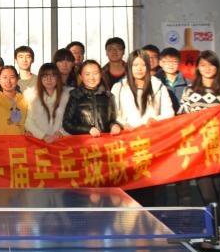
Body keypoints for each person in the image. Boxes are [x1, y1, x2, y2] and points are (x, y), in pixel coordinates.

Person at [178, 50, 220, 249]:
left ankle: (216, 233)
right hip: (198, 152)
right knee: (207, 193)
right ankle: (212, 232)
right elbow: (181, 118)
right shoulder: (189, 91)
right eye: (203, 65)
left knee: (217, 192)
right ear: (198, 68)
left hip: (218, 151)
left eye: (211, 65)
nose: (207, 68)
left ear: (216, 68)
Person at [111, 49, 174, 208]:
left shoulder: (158, 85)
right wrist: (121, 123)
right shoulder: (119, 87)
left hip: (152, 145)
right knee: (131, 187)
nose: (139, 68)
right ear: (129, 67)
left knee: (153, 188)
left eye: (143, 65)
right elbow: (113, 114)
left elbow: (169, 113)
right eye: (135, 65)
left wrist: (156, 120)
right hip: (128, 145)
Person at [157, 46, 193, 206]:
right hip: (161, 136)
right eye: (166, 61)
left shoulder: (189, 84)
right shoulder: (154, 82)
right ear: (160, 63)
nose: (170, 65)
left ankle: (185, 212)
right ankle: (160, 210)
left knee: (182, 177)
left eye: (174, 61)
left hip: (181, 136)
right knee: (159, 175)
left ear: (179, 63)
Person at [62, 60, 122, 137]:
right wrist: (88, 130)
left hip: (105, 141)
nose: (92, 77)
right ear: (81, 76)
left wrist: (114, 125)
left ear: (100, 75)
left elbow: (112, 120)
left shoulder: (108, 96)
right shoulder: (75, 95)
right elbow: (66, 124)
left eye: (95, 73)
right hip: (84, 142)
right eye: (87, 74)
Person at [23, 62, 68, 142]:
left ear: (58, 78)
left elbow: (70, 120)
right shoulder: (31, 96)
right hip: (38, 141)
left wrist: (61, 132)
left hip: (61, 141)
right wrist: (43, 136)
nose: (49, 79)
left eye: (53, 76)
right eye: (45, 76)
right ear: (40, 78)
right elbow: (28, 122)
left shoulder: (66, 96)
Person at [0, 66, 28, 135]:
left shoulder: (25, 99)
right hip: (1, 141)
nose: (8, 81)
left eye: (12, 77)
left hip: (22, 141)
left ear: (17, 79)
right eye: (4, 77)